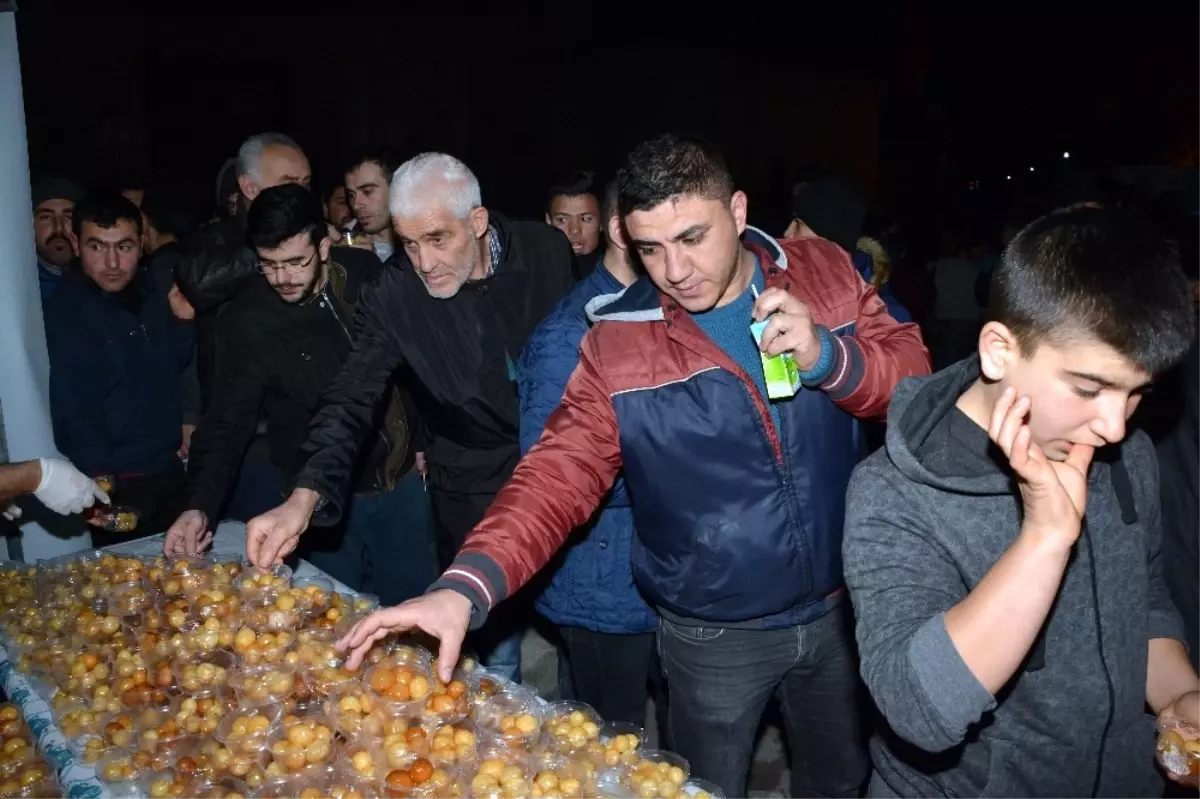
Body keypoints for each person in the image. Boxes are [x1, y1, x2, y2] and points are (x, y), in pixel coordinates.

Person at [336, 135, 930, 799]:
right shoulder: (618, 342)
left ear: (737, 211)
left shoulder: (821, 269)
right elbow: (553, 474)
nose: (675, 270)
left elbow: (916, 390)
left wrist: (829, 358)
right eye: (651, 248)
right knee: (706, 786)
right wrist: (466, 584)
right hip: (712, 632)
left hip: (839, 609)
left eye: (692, 237)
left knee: (839, 778)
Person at [842, 207, 1200, 797]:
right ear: (999, 351)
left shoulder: (1124, 454)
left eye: (1137, 393)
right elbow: (917, 711)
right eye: (1089, 388)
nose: (1114, 426)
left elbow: (1145, 594)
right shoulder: (892, 492)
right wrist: (1044, 539)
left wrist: (1179, 693)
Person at [243, 152, 576, 682]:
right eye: (409, 243)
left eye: (438, 239)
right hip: (475, 492)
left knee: (579, 640)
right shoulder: (393, 293)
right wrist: (304, 496)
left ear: (478, 222)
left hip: (569, 476)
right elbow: (351, 397)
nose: (423, 262)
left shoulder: (546, 250)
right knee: (491, 656)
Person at [163, 184, 435, 603]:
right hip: (317, 506)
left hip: (399, 488)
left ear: (324, 246)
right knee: (331, 623)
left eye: (295, 262)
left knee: (419, 618)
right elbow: (226, 422)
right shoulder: (248, 318)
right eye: (269, 265)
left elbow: (410, 363)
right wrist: (198, 505)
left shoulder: (365, 274)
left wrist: (420, 437)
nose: (282, 278)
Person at [518, 179, 656, 724]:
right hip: (600, 585)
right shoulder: (567, 334)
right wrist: (679, 464)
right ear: (626, 232)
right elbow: (548, 470)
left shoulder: (670, 312)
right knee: (604, 743)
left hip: (660, 581)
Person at [43, 192, 195, 544]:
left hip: (167, 470)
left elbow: (166, 368)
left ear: (142, 245)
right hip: (118, 484)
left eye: (124, 247)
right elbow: (72, 411)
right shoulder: (66, 315)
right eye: (98, 247)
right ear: (77, 246)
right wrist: (101, 486)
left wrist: (183, 324)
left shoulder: (150, 293)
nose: (112, 262)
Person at [31, 177, 84, 299]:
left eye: (69, 217)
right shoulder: (18, 285)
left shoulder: (104, 278)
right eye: (46, 217)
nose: (59, 228)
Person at [546, 170, 603, 278]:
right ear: (549, 220)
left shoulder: (623, 279)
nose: (575, 230)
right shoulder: (533, 276)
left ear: (602, 222)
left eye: (586, 219)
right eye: (562, 220)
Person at [344, 150, 398, 261]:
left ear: (396, 188)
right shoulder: (346, 249)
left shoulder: (422, 249)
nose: (356, 205)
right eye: (351, 195)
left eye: (367, 192)